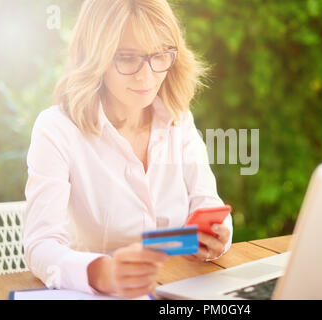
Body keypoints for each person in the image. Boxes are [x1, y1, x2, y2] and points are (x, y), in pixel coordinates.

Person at [23, 0, 233, 299]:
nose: (145, 76)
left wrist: (217, 239)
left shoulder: (178, 118)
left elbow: (209, 204)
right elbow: (40, 245)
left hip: (174, 292)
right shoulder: (56, 128)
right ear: (95, 57)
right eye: (126, 58)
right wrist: (101, 272)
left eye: (160, 55)